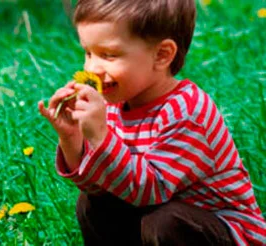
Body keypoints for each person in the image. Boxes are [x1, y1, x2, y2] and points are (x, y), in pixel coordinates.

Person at [36, 0, 266, 245]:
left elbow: (151, 191)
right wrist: (72, 138)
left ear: (162, 55)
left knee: (165, 222)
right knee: (92, 202)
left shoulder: (186, 113)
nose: (92, 68)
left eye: (109, 55)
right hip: (153, 215)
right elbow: (103, 183)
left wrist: (101, 138)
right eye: (88, 53)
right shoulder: (114, 105)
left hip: (223, 231)